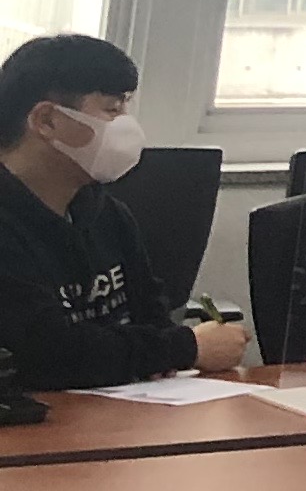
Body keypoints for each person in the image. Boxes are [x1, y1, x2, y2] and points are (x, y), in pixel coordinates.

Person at [0, 34, 243, 388]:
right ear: (47, 121)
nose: (126, 126)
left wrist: (159, 352)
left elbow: (152, 316)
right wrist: (186, 347)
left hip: (118, 406)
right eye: (112, 110)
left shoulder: (107, 214)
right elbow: (46, 353)